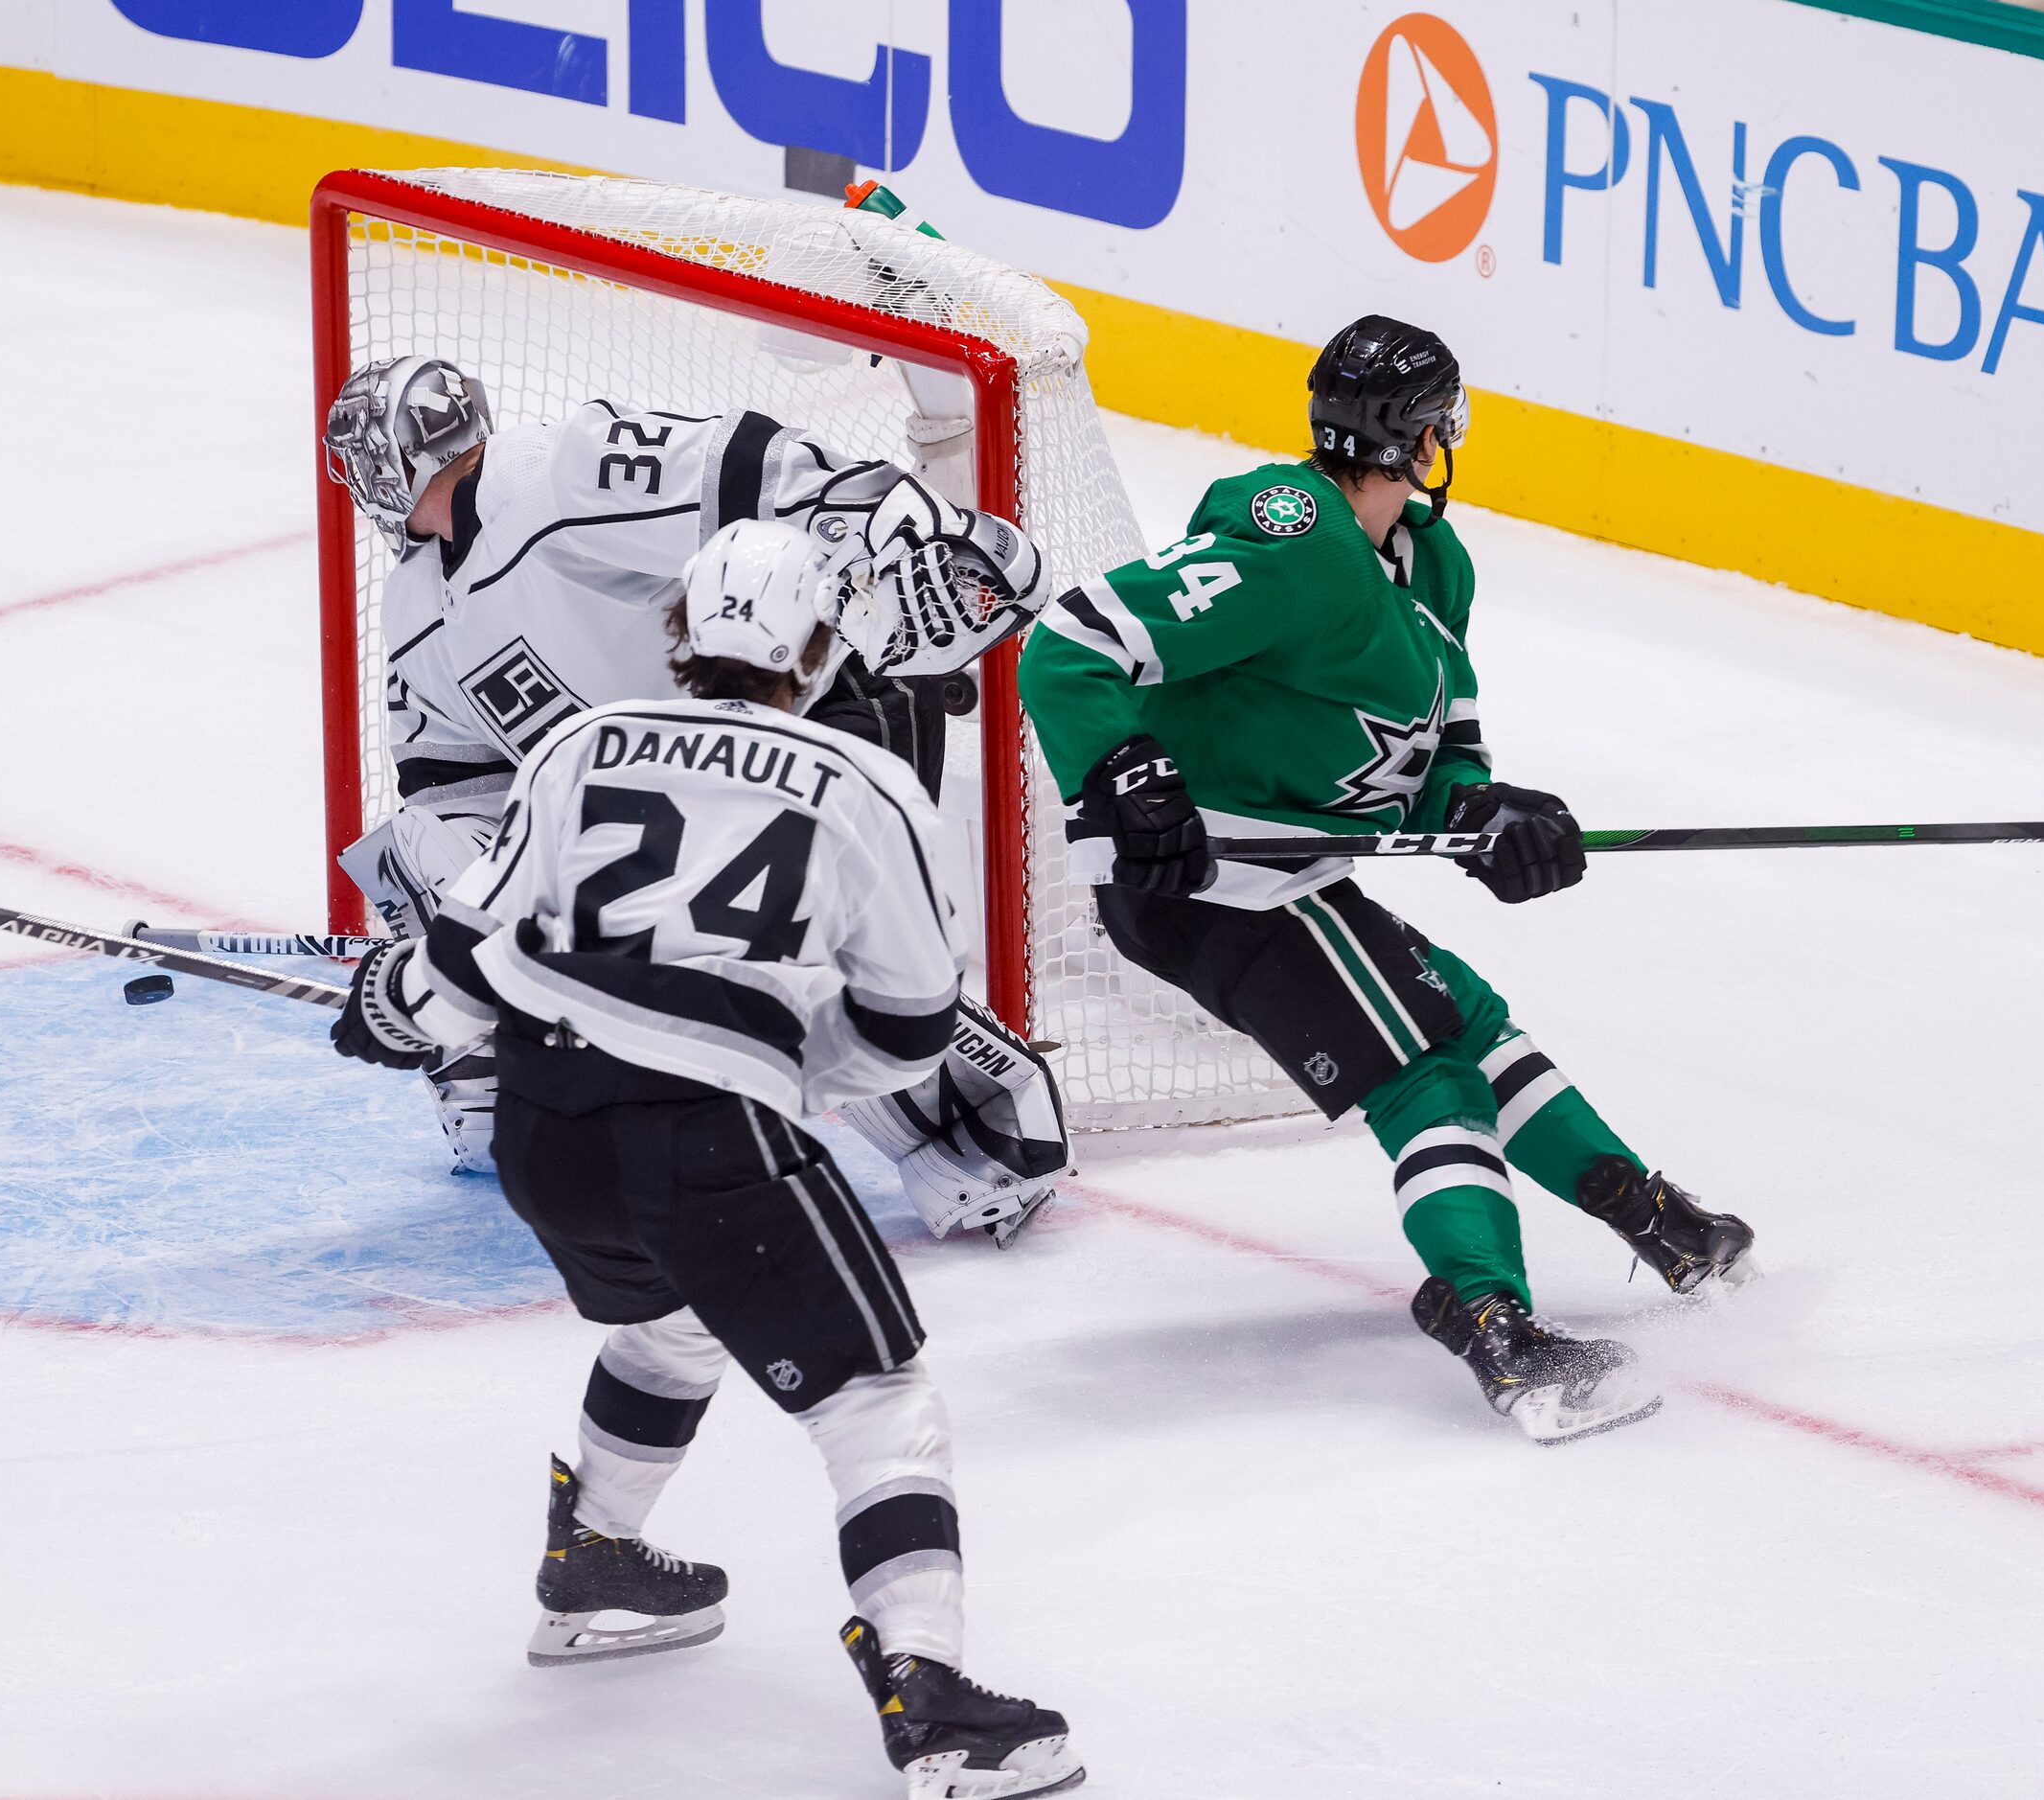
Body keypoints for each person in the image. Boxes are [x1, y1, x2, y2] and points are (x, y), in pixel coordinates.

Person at [328, 520, 1083, 1799]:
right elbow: (905, 1026)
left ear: (683, 630)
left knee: (674, 1321)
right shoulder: (865, 781)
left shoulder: (579, 740)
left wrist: (389, 1005)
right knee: (878, 1400)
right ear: (818, 643)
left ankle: (595, 1564)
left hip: (543, 1123)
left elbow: (465, 955)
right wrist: (787, 1065)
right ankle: (934, 1702)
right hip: (705, 1133)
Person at [1015, 314, 1757, 1444]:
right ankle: (1493, 1325)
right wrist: (1126, 771)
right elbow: (1070, 643)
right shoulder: (1295, 537)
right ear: (1421, 434)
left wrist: (1487, 819)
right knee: (1420, 1066)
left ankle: (1654, 1222)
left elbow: (1436, 752)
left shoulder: (1429, 563)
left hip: (1290, 876)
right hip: (1209, 881)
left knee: (1467, 1018)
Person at [321, 353, 1070, 1247]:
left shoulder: (557, 470)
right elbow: (453, 786)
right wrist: (494, 932)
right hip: (665, 805)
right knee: (423, 852)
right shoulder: (416, 607)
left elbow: (743, 465)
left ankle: (984, 1116)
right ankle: (494, 1068)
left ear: (385, 461)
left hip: (808, 710)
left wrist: (888, 527)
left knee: (762, 946)